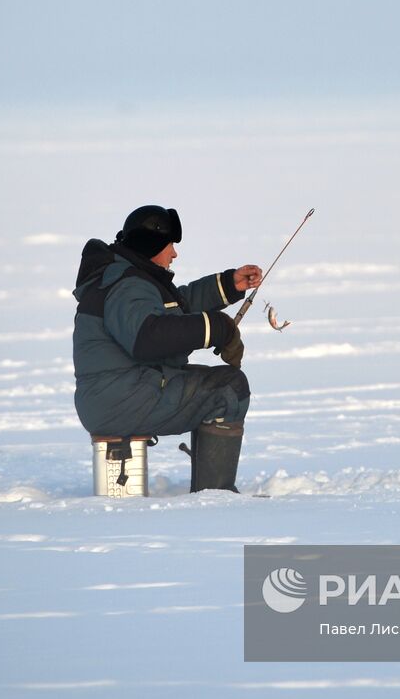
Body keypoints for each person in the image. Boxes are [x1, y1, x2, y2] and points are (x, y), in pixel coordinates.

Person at [72, 205, 262, 492]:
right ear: (151, 245)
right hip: (122, 399)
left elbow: (174, 307)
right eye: (170, 244)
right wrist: (215, 328)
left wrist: (227, 285)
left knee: (219, 383)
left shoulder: (125, 275)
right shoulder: (127, 285)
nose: (174, 253)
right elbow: (147, 338)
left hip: (118, 393)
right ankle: (215, 497)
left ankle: (212, 492)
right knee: (228, 390)